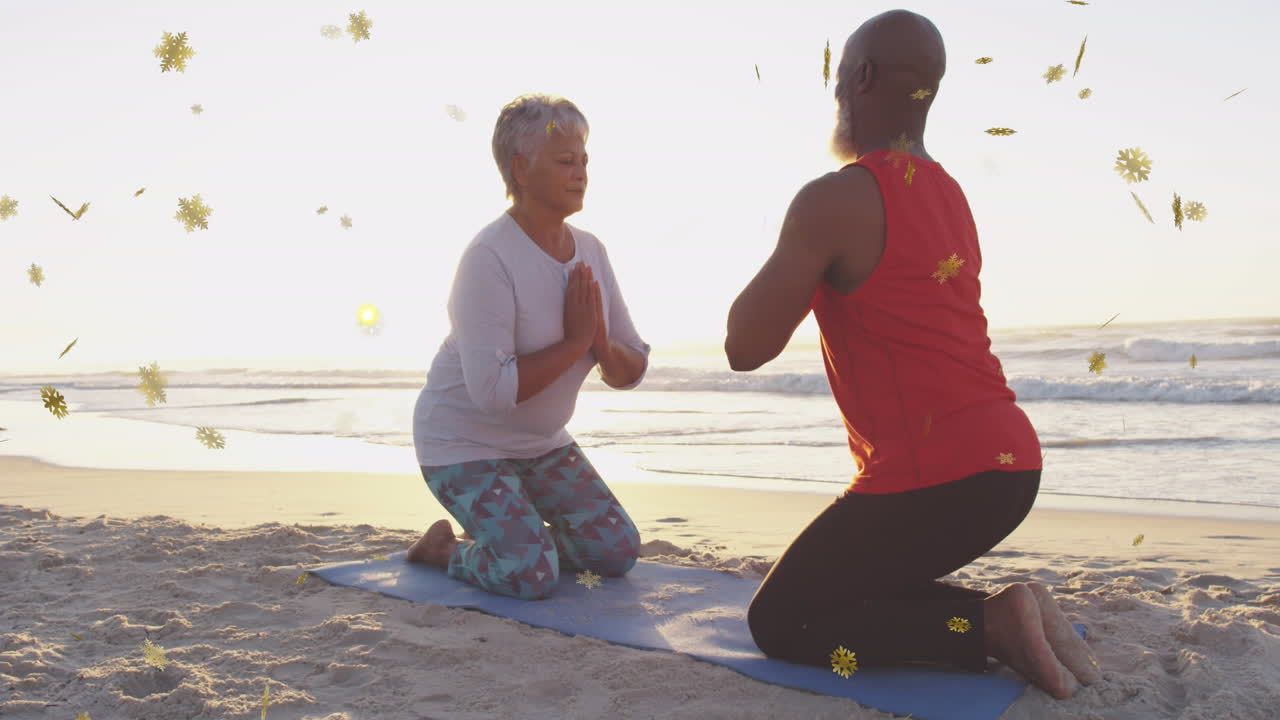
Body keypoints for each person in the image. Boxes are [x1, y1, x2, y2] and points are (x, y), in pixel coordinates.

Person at [724, 10, 1101, 700]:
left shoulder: (833, 199)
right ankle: (1011, 613)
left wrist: (797, 250)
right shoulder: (950, 194)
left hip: (938, 477)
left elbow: (744, 346)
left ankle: (992, 626)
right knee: (857, 585)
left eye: (839, 75)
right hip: (1008, 465)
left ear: (862, 78)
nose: (836, 91)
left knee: (782, 620)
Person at [405, 94, 649, 601]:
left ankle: (518, 537)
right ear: (520, 168)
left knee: (616, 553)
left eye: (584, 160)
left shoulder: (592, 251)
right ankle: (443, 550)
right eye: (565, 161)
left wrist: (598, 340)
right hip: (462, 446)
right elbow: (493, 393)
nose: (580, 172)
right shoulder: (489, 258)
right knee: (529, 574)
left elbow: (632, 368)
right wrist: (577, 341)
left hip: (541, 446)